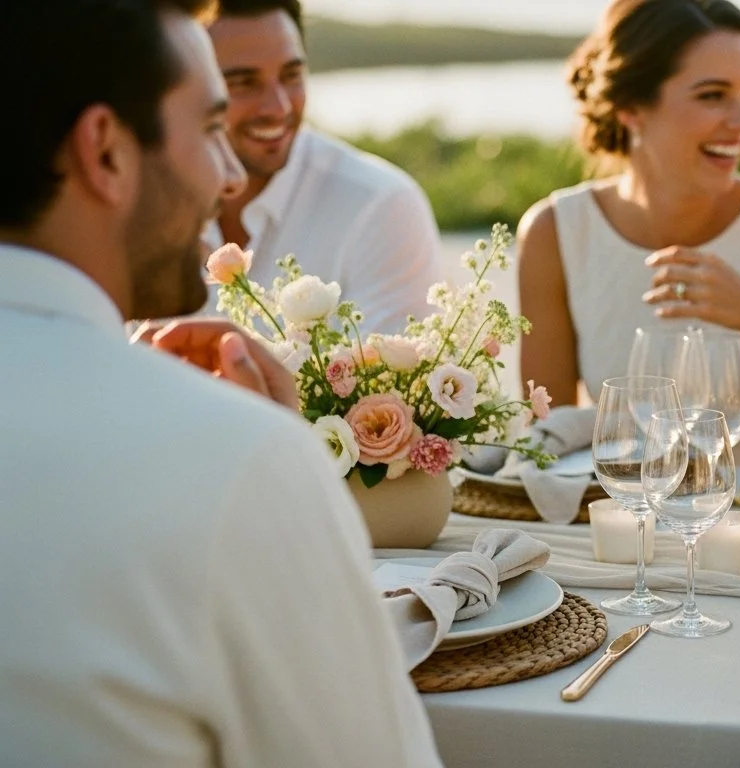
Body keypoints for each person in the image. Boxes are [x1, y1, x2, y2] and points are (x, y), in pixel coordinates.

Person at [0, 1, 441, 764]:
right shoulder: (239, 458)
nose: (231, 173)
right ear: (104, 150)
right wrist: (263, 457)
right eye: (210, 127)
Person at [516, 0, 740, 460]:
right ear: (631, 105)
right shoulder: (556, 232)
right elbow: (547, 443)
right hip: (624, 508)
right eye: (713, 95)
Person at [203, 0, 444, 334]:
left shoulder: (380, 207)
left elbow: (397, 383)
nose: (279, 107)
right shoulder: (129, 196)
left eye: (291, 75)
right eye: (243, 82)